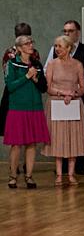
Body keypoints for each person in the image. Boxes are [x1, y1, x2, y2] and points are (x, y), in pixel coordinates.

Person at [46, 20, 84, 176]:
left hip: (74, 101)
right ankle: (60, 171)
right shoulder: (53, 61)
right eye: (65, 31)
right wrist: (62, 93)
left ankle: (76, 170)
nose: (57, 49)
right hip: (57, 102)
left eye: (70, 31)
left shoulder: (83, 55)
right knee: (58, 136)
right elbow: (47, 80)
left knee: (74, 135)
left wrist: (73, 93)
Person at [4, 33, 49, 188]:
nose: (31, 45)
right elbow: (10, 86)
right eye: (27, 43)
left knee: (32, 144)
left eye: (31, 42)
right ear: (19, 48)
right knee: (16, 144)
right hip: (17, 109)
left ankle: (29, 176)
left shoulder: (37, 64)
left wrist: (36, 79)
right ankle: (13, 176)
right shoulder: (12, 64)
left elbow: (43, 87)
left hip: (35, 108)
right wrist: (27, 77)